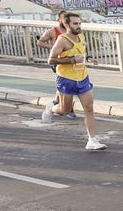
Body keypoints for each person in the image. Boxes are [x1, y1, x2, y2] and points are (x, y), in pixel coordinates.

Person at [41, 12, 106, 151]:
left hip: (82, 77)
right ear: (67, 24)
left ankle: (92, 140)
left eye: (80, 23)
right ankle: (51, 108)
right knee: (64, 110)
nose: (78, 26)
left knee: (89, 108)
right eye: (75, 24)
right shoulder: (62, 40)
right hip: (66, 79)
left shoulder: (81, 36)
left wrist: (88, 59)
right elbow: (51, 60)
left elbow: (81, 53)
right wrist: (70, 60)